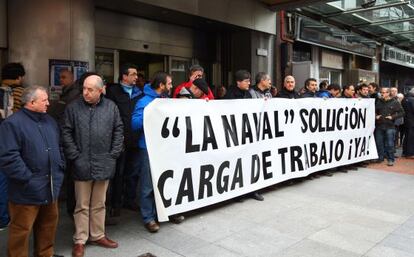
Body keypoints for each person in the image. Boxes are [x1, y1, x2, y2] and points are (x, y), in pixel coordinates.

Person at [61, 74, 124, 257]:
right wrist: (75, 156)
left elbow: (118, 130)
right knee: (81, 204)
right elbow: (65, 132)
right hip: (82, 164)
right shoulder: (73, 107)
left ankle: (97, 235)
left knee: (99, 203)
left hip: (105, 162)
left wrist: (113, 154)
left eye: (90, 90)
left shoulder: (111, 107)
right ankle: (80, 239)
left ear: (100, 90)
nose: (85, 93)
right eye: (84, 89)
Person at [0, 85, 64, 257]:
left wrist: (60, 168)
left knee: (48, 225)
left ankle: (45, 254)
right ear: (31, 102)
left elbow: (59, 147)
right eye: (44, 100)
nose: (48, 103)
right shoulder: (12, 124)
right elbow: (8, 157)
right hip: (26, 189)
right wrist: (27, 179)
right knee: (21, 230)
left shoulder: (50, 121)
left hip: (50, 185)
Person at [131, 71, 173, 233]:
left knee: (165, 181)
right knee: (148, 184)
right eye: (169, 84)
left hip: (164, 148)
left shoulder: (165, 101)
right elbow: (134, 124)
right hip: (148, 149)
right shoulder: (144, 102)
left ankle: (163, 212)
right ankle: (148, 217)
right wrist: (151, 113)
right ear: (161, 85)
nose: (171, 87)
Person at [105, 63, 142, 218]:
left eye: (136, 74)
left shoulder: (139, 93)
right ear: (124, 76)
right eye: (133, 74)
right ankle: (115, 204)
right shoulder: (113, 92)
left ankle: (130, 200)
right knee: (118, 173)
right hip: (119, 140)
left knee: (133, 172)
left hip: (135, 139)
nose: (136, 77)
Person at [0, 62, 26, 232]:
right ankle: (6, 216)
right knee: (10, 178)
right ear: (19, 77)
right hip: (12, 140)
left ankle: (2, 218)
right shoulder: (19, 92)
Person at [374, 87, 404, 166]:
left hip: (390, 126)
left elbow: (402, 113)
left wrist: (392, 117)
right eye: (381, 92)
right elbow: (374, 111)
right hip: (379, 125)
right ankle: (380, 157)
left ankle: (390, 159)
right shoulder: (379, 101)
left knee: (389, 144)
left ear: (388, 93)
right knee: (379, 142)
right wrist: (376, 116)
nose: (382, 94)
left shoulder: (394, 102)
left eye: (384, 92)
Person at [402, 88, 414, 158]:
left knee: (406, 137)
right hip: (412, 121)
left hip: (406, 120)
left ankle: (405, 152)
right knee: (411, 138)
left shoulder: (404, 99)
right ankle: (410, 153)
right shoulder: (412, 100)